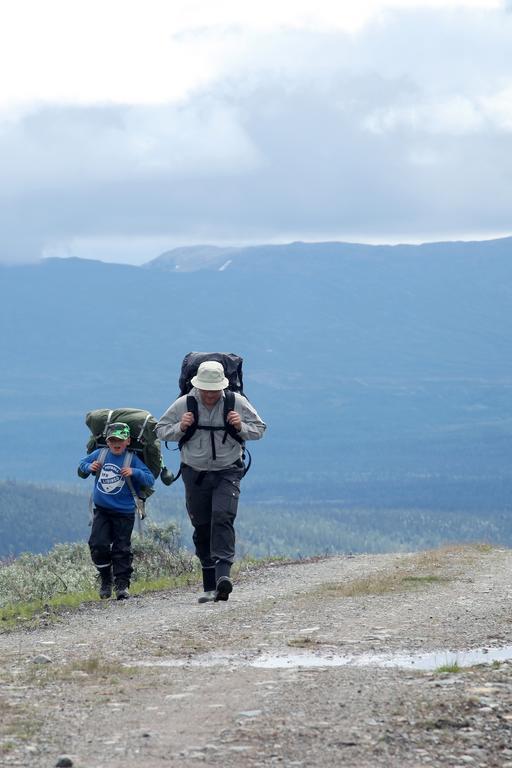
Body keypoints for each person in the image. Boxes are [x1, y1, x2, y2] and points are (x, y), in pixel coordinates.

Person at [156, 360, 266, 603]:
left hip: (228, 470)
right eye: (206, 389)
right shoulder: (184, 403)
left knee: (223, 517)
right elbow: (160, 430)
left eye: (214, 390)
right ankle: (209, 586)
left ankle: (223, 577)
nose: (209, 394)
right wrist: (180, 427)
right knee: (202, 525)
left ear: (222, 387)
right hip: (194, 473)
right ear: (197, 386)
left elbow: (260, 428)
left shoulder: (235, 401)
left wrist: (241, 425)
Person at [78, 422, 154, 600]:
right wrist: (89, 467)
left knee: (122, 549)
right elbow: (82, 464)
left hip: (124, 512)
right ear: (107, 441)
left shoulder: (132, 459)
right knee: (97, 545)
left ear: (127, 441)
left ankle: (122, 585)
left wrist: (134, 472)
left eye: (120, 439)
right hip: (102, 510)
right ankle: (106, 580)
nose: (116, 443)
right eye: (112, 440)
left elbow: (149, 480)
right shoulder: (101, 454)